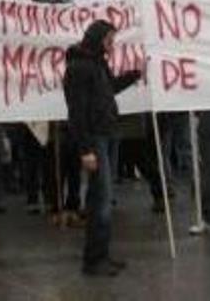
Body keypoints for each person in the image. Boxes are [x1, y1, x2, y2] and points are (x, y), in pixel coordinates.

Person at [63, 19, 141, 277]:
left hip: (108, 134)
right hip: (95, 138)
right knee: (101, 200)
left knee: (102, 198)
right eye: (109, 40)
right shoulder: (79, 67)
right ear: (98, 39)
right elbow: (77, 113)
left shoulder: (97, 63)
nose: (112, 45)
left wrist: (134, 74)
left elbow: (110, 89)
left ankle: (101, 255)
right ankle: (94, 260)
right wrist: (85, 149)